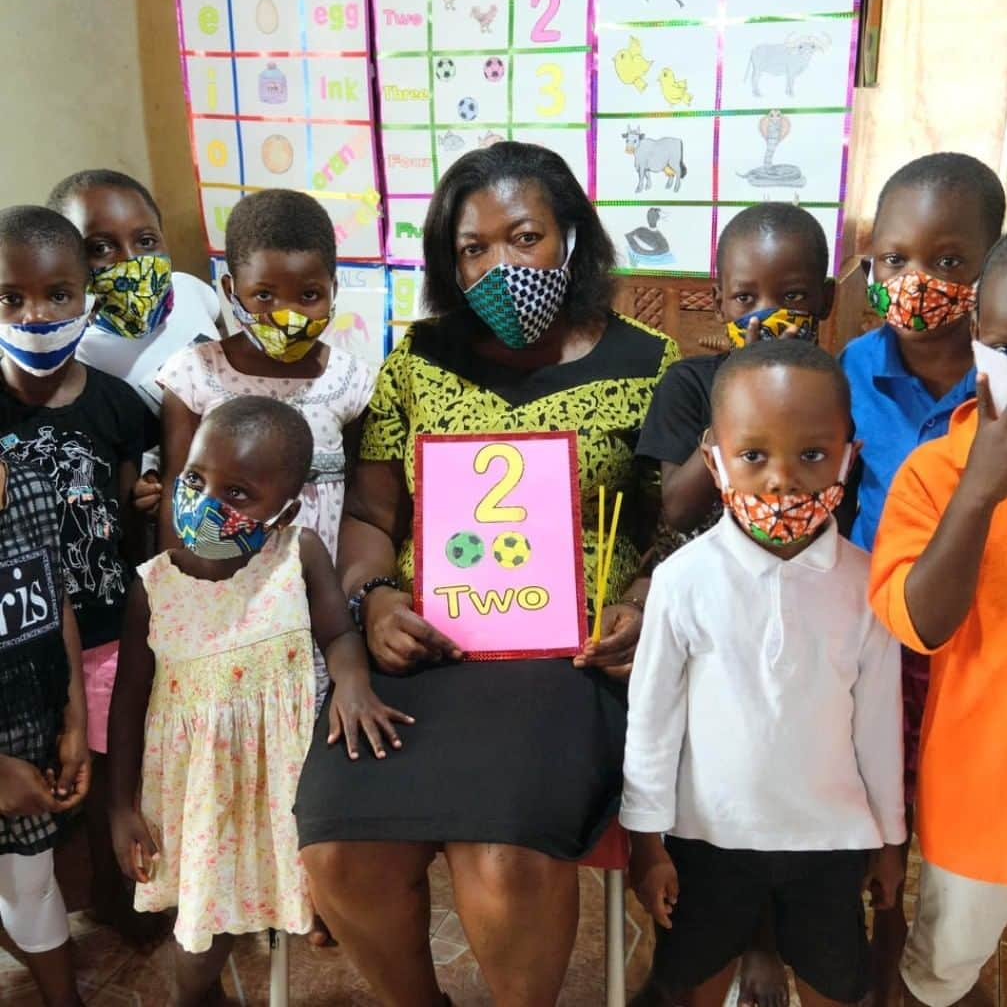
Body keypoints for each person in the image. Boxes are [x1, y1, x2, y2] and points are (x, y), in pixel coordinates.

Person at [295, 141, 678, 1006]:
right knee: (338, 848)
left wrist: (644, 603)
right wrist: (376, 597)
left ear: (573, 238)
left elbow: (681, 526)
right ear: (448, 261)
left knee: (503, 851)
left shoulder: (651, 365)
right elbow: (371, 516)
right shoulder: (418, 359)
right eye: (473, 248)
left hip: (571, 658)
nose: (501, 265)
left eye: (525, 237)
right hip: (424, 649)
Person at [623, 339, 906, 1007]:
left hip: (830, 843)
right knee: (692, 980)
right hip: (707, 837)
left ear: (848, 456)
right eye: (754, 456)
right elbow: (654, 718)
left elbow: (878, 727)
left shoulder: (868, 587)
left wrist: (891, 841)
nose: (782, 481)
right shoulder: (682, 581)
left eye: (811, 455)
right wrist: (645, 841)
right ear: (715, 458)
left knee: (835, 983)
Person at [107, 397, 409, 1006]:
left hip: (283, 782)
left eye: (239, 493)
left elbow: (338, 635)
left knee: (318, 901)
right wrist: (120, 808)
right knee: (201, 940)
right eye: (195, 479)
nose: (209, 502)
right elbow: (127, 703)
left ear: (287, 509)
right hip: (201, 797)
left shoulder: (296, 557)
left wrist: (351, 680)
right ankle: (198, 998)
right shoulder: (153, 587)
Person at [869, 213, 1007, 1007]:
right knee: (943, 965)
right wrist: (978, 495)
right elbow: (920, 623)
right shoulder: (935, 472)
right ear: (976, 341)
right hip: (981, 789)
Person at [838, 152, 1006, 1004]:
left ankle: (941, 969)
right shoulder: (850, 373)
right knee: (882, 815)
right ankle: (884, 943)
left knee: (955, 829)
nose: (918, 281)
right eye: (897, 258)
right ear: (869, 261)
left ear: (993, 265)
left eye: (949, 261)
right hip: (879, 638)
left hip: (985, 650)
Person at [0, 205, 155, 938]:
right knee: (34, 801)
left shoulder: (117, 404)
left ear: (86, 294)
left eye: (58, 294)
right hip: (18, 649)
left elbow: (128, 516)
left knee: (105, 777)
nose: (36, 315)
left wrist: (145, 502)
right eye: (10, 298)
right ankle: (45, 913)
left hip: (106, 631)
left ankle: (121, 904)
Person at [157, 189, 373, 705]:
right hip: (221, 606)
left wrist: (347, 606)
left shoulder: (352, 381)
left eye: (309, 295)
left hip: (320, 611)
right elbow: (175, 488)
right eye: (264, 295)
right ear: (230, 289)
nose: (287, 315)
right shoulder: (196, 376)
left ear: (333, 288)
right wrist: (181, 594)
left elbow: (362, 508)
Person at [637, 203, 835, 559]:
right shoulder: (688, 383)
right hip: (702, 584)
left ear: (825, 299)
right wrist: (745, 394)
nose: (766, 314)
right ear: (719, 304)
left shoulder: (832, 393)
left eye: (792, 297)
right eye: (746, 298)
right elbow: (680, 512)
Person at [48, 169, 224, 519]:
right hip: (176, 514)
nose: (130, 261)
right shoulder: (78, 356)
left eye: (146, 241)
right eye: (100, 247)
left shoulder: (191, 290)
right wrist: (139, 496)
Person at [0, 460, 91, 1007]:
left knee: (29, 881)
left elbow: (55, 602)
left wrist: (75, 720)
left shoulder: (32, 485)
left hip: (30, 733)